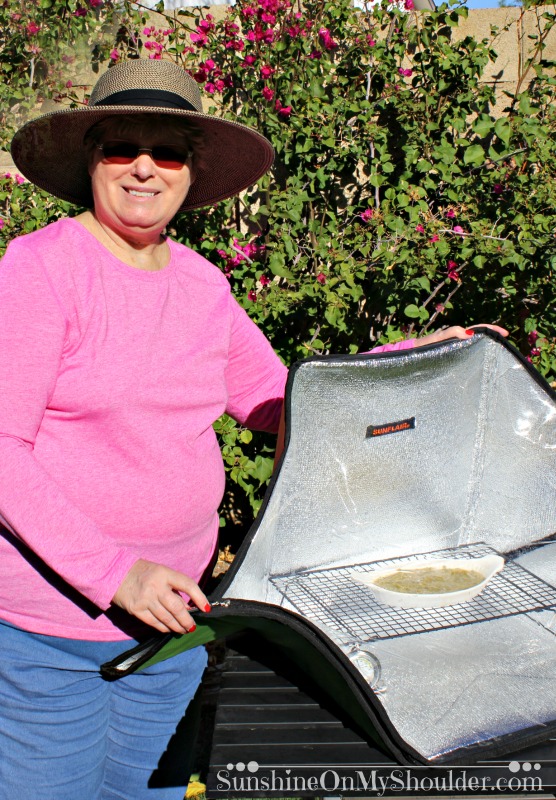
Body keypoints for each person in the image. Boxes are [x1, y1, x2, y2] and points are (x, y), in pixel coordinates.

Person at [0, 58, 507, 800]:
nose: (144, 168)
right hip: (52, 639)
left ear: (191, 172)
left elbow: (284, 404)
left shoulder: (204, 285)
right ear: (91, 159)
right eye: (122, 147)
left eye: (167, 151)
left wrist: (415, 359)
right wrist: (118, 575)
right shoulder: (39, 270)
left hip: (174, 629)